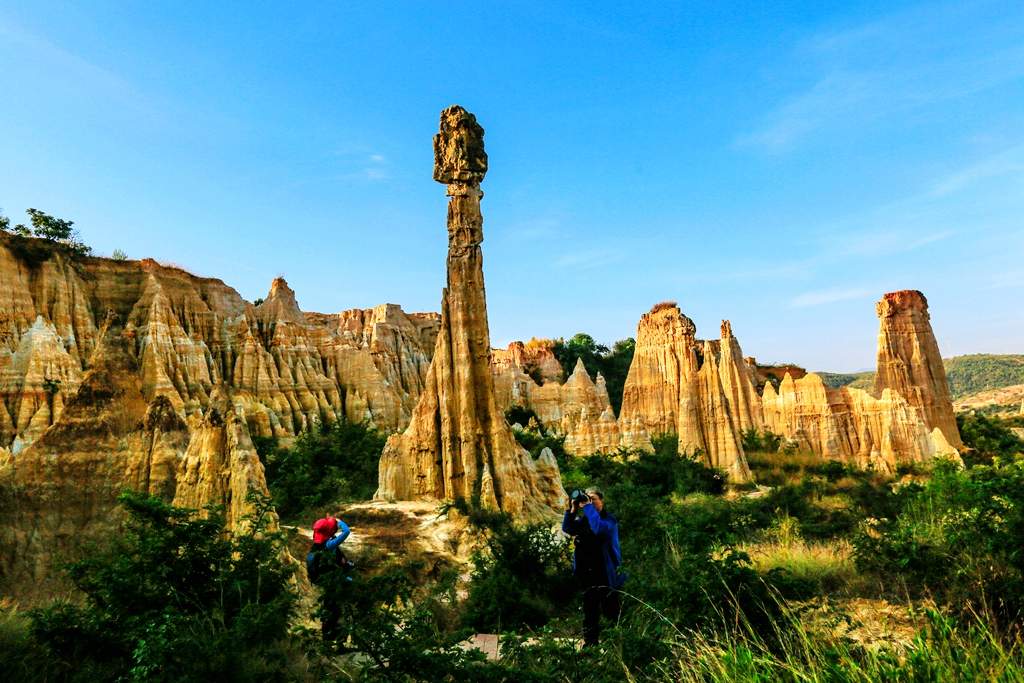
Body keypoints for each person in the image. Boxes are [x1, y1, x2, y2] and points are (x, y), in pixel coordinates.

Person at [562, 487, 625, 647]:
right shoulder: (585, 521)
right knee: (590, 612)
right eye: (587, 498)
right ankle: (591, 645)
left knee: (611, 610)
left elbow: (598, 529)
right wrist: (573, 509)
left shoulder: (609, 520)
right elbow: (568, 528)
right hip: (587, 573)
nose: (589, 501)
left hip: (606, 573)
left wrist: (588, 507)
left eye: (593, 498)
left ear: (601, 501)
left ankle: (618, 644)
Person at [306, 514, 352, 640]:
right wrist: (339, 521)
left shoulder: (315, 546)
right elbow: (347, 531)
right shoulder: (329, 545)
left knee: (329, 608)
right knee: (337, 610)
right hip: (333, 582)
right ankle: (338, 639)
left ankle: (328, 636)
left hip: (323, 581)